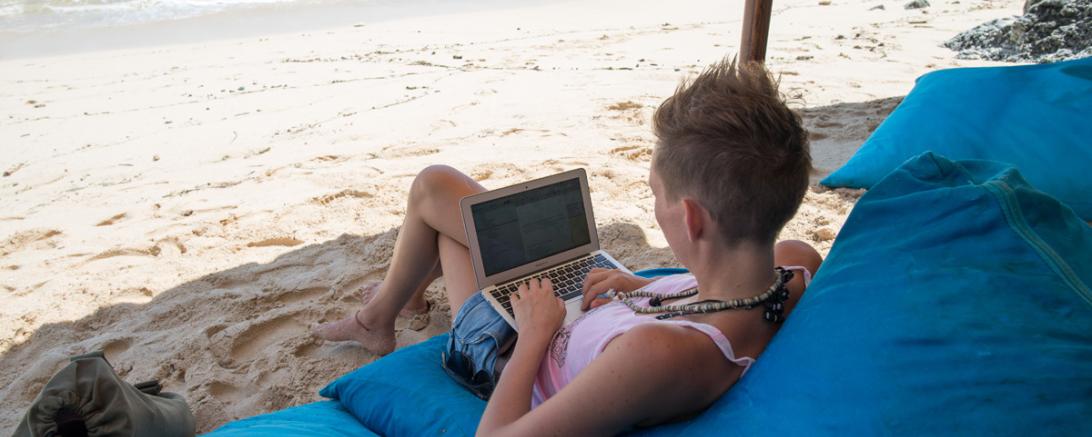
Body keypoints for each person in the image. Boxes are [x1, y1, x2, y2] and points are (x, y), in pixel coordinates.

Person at [313, 57, 822, 435]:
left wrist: (535, 332)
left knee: (435, 192)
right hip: (585, 310)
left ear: (690, 219)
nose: (655, 204)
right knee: (456, 209)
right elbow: (719, 293)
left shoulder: (655, 353)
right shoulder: (794, 266)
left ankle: (382, 314)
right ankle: (401, 301)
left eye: (656, 194)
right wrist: (640, 286)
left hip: (505, 346)